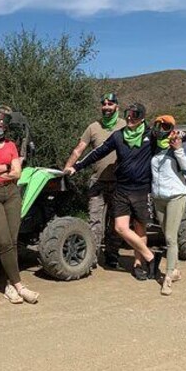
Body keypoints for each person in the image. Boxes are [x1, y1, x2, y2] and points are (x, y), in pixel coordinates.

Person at [65, 103, 156, 281]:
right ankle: (151, 257)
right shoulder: (118, 136)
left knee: (139, 228)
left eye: (135, 115)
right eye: (128, 114)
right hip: (122, 188)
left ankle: (139, 265)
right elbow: (97, 153)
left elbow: (166, 141)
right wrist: (76, 167)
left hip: (142, 189)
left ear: (143, 118)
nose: (130, 117)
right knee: (120, 227)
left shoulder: (150, 135)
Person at [0, 105, 39, 304]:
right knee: (3, 241)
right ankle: (20, 286)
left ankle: (10, 286)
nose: (1, 123)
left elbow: (17, 173)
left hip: (11, 192)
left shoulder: (11, 144)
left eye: (5, 120)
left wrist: (2, 170)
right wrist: (6, 167)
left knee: (12, 240)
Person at [63, 93, 126, 269]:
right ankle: (91, 257)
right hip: (97, 182)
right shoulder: (93, 127)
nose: (106, 107)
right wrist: (67, 169)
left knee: (116, 221)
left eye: (110, 104)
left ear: (117, 107)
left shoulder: (125, 125)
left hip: (119, 183)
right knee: (94, 222)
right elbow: (79, 150)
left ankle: (112, 256)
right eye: (104, 104)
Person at [150, 115, 186, 296]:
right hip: (158, 197)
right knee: (166, 234)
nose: (161, 128)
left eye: (165, 125)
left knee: (170, 237)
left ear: (172, 127)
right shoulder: (154, 147)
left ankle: (167, 279)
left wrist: (179, 149)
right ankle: (176, 270)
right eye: (159, 124)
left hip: (176, 195)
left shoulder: (179, 144)